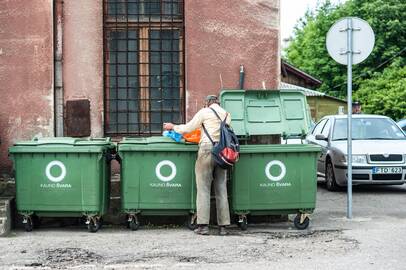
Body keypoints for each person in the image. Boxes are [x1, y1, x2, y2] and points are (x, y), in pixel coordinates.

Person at [163, 95, 231, 235]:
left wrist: (173, 127)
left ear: (207, 103)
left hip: (207, 150)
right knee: (221, 189)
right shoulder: (226, 114)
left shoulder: (204, 112)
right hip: (223, 153)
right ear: (218, 102)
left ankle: (203, 226)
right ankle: (223, 227)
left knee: (203, 188)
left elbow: (188, 128)